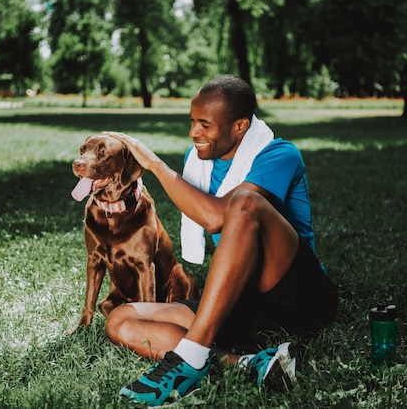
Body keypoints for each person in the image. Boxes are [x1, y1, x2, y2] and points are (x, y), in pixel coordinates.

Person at [104, 75, 338, 406]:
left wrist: (154, 164)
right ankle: (248, 364)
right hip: (239, 299)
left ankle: (190, 356)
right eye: (192, 122)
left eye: (205, 125)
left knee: (246, 203)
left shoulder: (280, 154)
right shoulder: (198, 161)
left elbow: (217, 217)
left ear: (240, 126)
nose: (193, 133)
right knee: (121, 320)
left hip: (298, 296)